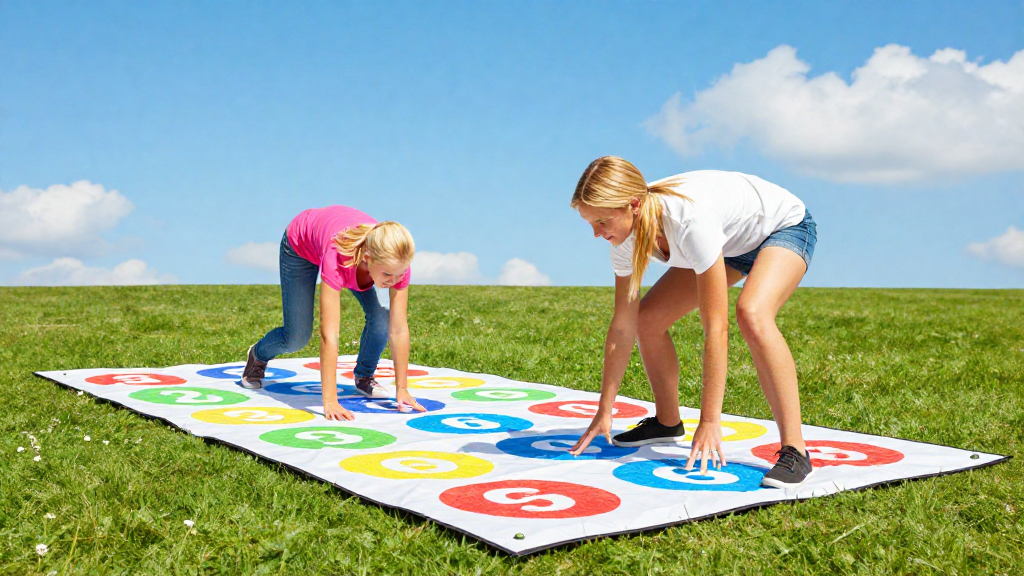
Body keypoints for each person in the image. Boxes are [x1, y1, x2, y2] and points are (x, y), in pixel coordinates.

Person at [567, 156, 818, 488]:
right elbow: (622, 325)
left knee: (752, 314)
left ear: (633, 205)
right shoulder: (624, 239)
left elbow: (716, 326)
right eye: (590, 224)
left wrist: (710, 421)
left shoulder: (689, 221)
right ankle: (668, 423)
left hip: (782, 227)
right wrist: (605, 409)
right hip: (729, 241)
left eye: (602, 222)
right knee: (647, 318)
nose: (598, 234)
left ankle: (796, 451)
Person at [241, 205, 426, 421]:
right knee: (296, 338)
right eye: (387, 274)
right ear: (368, 258)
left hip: (354, 260)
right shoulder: (337, 256)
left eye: (399, 274)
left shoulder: (396, 263)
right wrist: (330, 400)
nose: (394, 282)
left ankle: (364, 376)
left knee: (382, 318)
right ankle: (258, 355)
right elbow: (329, 334)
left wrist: (402, 388)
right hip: (300, 247)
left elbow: (399, 329)